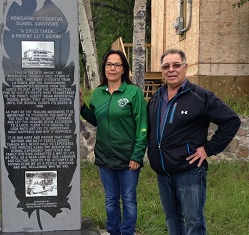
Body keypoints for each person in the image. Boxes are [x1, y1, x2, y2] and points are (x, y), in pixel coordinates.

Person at [147, 49, 241, 235]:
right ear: (162, 70)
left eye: (176, 65)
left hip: (188, 171)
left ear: (185, 67)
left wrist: (208, 149)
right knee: (172, 218)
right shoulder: (156, 98)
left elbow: (231, 120)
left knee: (194, 222)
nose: (171, 70)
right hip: (163, 172)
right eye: (166, 66)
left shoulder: (200, 96)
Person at [80, 50, 148, 235]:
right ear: (104, 67)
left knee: (128, 199)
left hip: (128, 158)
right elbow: (96, 120)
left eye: (117, 65)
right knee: (110, 199)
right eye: (109, 64)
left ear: (123, 69)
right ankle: (113, 232)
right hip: (105, 156)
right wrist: (81, 106)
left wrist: (137, 155)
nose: (113, 68)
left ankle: (127, 232)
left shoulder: (133, 93)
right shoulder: (98, 94)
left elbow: (143, 126)